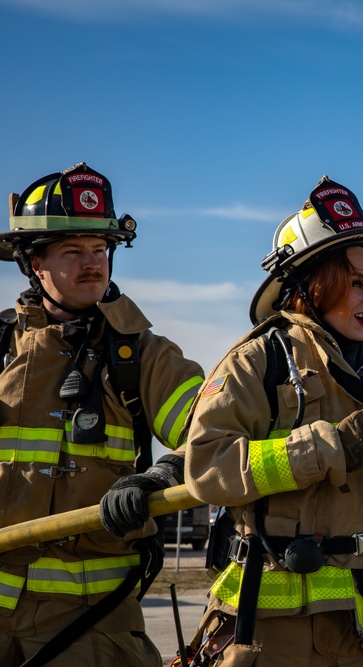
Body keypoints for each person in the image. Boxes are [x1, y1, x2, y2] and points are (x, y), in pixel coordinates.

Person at [183, 176, 363, 665]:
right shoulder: (259, 361)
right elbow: (206, 467)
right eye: (354, 283)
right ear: (307, 285)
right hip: (274, 638)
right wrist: (327, 447)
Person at [0, 163, 204, 667]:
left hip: (92, 628)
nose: (93, 264)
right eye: (73, 251)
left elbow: (215, 431)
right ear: (34, 263)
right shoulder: (1, 349)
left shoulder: (146, 356)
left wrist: (161, 474)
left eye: (100, 250)